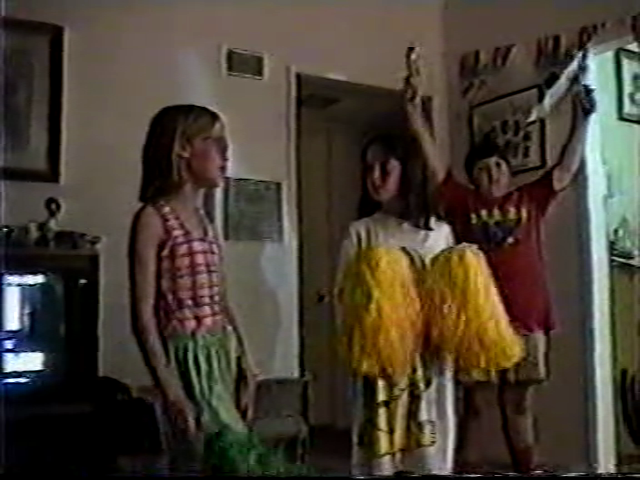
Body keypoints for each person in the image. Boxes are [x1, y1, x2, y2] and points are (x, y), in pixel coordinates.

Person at [404, 55, 596, 473]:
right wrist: (414, 111)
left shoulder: (530, 199)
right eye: (482, 169)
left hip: (527, 318)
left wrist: (582, 119)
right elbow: (434, 162)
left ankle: (527, 468)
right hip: (477, 320)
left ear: (509, 173)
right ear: (473, 177)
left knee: (519, 402)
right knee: (474, 402)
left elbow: (566, 168)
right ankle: (462, 468)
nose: (491, 173)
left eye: (498, 166)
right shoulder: (462, 201)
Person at [128, 104, 310, 475]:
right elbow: (143, 316)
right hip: (186, 356)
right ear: (182, 148)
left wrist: (246, 364)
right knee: (217, 453)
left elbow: (221, 299)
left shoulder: (205, 220)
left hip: (221, 350)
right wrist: (170, 389)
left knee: (229, 451)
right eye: (215, 142)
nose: (226, 153)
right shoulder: (153, 218)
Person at [335, 134, 457, 476]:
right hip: (379, 363)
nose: (374, 177)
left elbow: (452, 299)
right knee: (381, 451)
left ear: (409, 171)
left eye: (384, 168)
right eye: (368, 169)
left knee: (428, 448)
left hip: (429, 359)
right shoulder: (362, 232)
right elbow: (344, 298)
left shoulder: (440, 233)